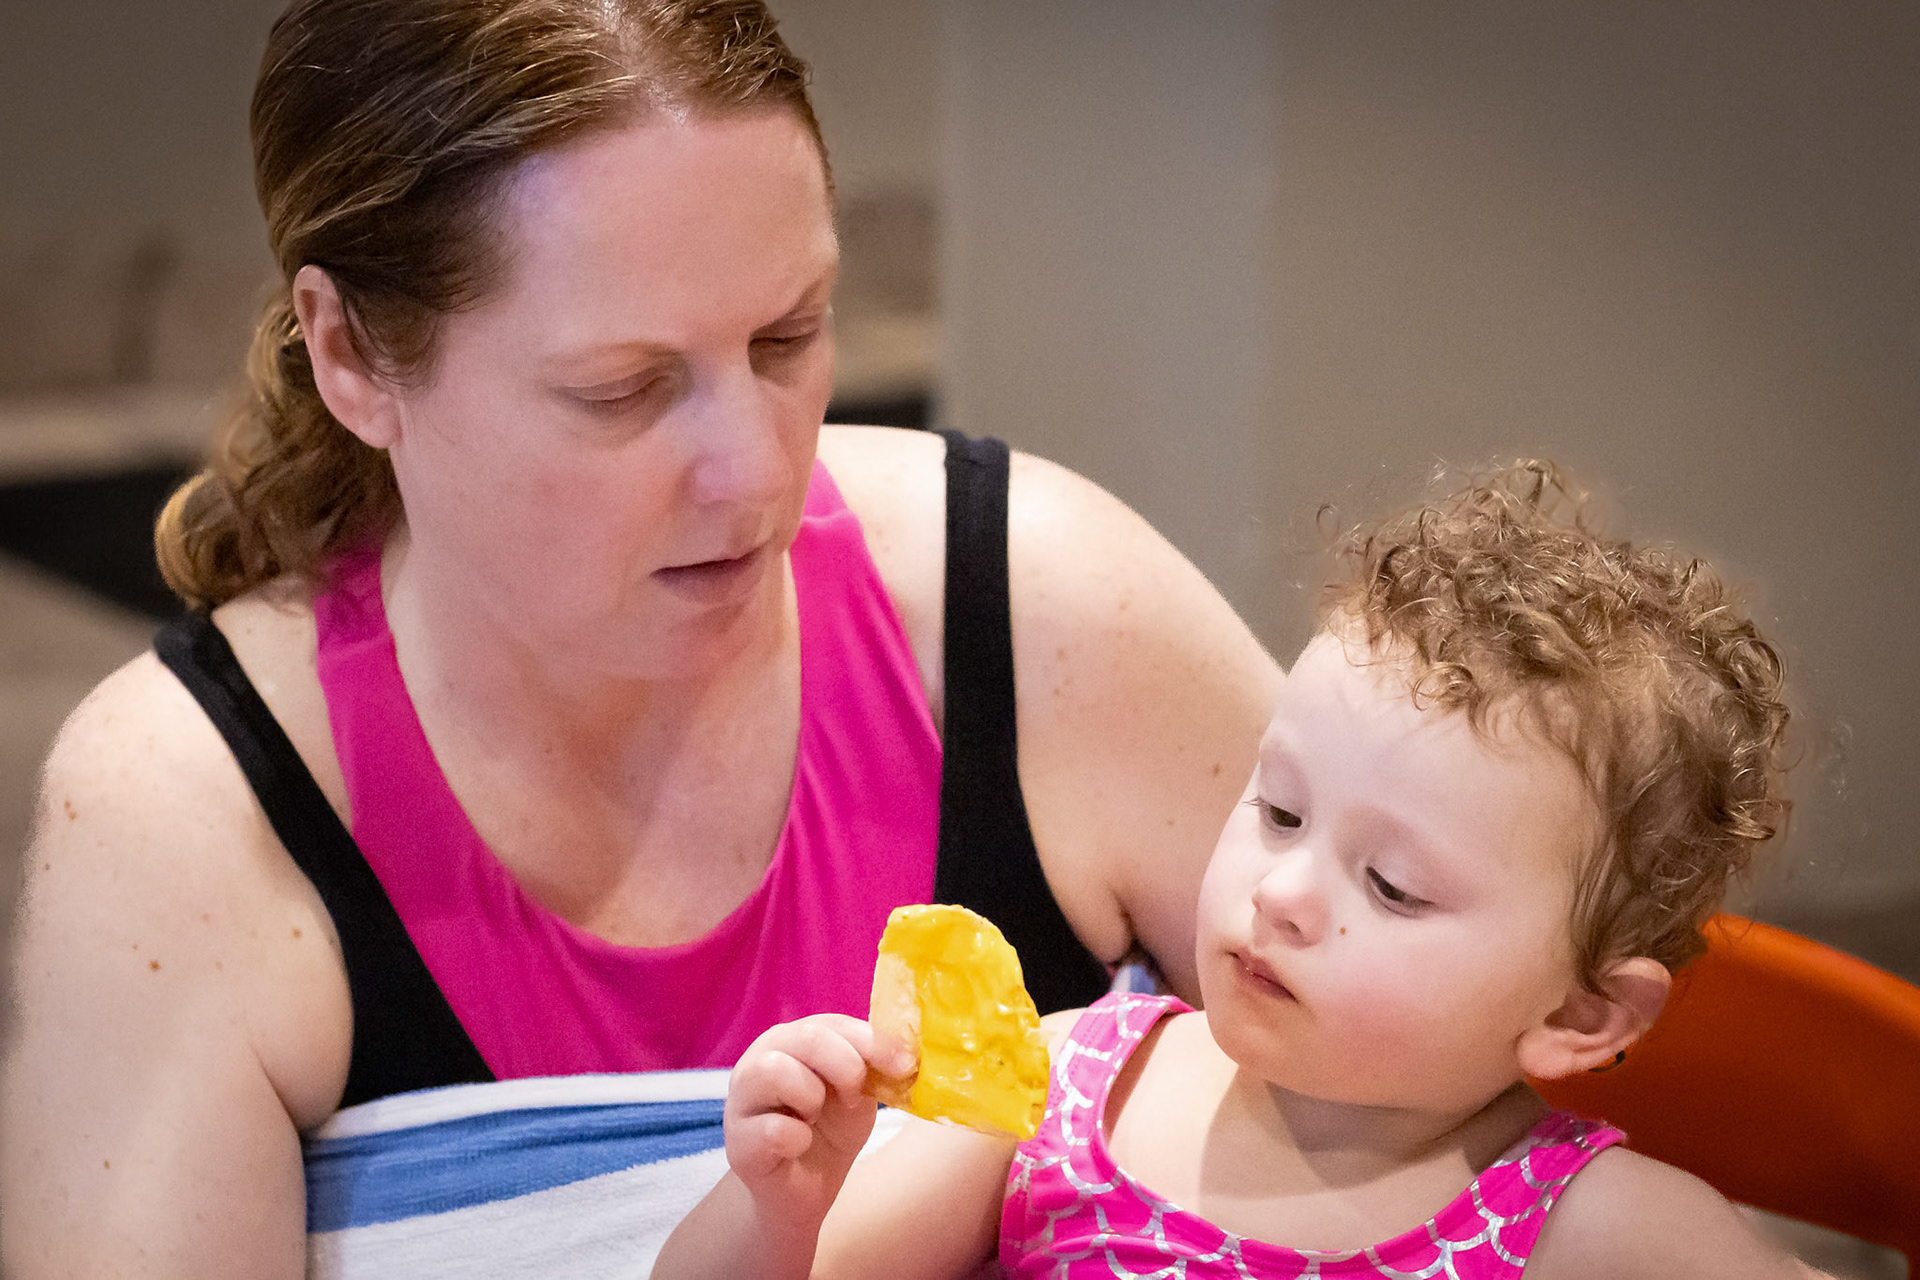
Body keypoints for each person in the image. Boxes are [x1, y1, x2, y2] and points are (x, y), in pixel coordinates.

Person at [0, 1, 1279, 1275]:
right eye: (622, 389)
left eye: (789, 336)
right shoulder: (190, 812)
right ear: (348, 353)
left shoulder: (1038, 608)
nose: (755, 469)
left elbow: (1456, 1110)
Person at [654, 461, 1827, 1280]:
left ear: (1579, 1008)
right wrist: (782, 1196)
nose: (1281, 892)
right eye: (1276, 809)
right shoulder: (1064, 1092)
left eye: (1394, 886)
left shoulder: (1589, 1229)